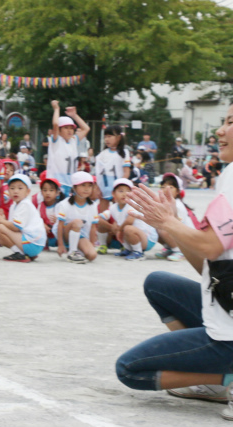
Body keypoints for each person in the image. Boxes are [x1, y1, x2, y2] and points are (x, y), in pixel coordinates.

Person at [115, 102, 233, 422]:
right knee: (158, 284)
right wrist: (172, 226)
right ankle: (218, 382)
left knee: (129, 370)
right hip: (226, 306)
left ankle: (225, 378)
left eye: (230, 122)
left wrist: (166, 222)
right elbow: (212, 267)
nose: (220, 130)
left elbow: (210, 246)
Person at [97, 179, 158, 261]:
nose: (124, 194)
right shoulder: (113, 208)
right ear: (113, 193)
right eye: (121, 191)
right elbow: (99, 218)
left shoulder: (132, 205)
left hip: (147, 238)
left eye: (128, 191)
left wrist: (118, 229)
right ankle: (129, 249)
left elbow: (130, 220)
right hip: (135, 236)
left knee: (127, 228)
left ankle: (138, 252)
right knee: (123, 228)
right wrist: (112, 227)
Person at [0, 174, 46, 262]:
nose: (16, 191)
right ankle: (24, 254)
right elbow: (12, 227)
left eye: (20, 188)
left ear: (28, 192)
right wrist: (2, 219)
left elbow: (15, 228)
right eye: (12, 188)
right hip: (35, 244)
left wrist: (1, 221)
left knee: (0, 227)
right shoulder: (15, 205)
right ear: (8, 191)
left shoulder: (24, 204)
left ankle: (20, 254)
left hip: (33, 243)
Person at [53, 171, 98, 264]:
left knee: (92, 255)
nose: (87, 189)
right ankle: (72, 252)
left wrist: (91, 244)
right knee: (78, 222)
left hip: (81, 235)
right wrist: (60, 245)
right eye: (83, 185)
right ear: (74, 187)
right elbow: (60, 226)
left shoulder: (93, 206)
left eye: (90, 186)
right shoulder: (65, 204)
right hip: (65, 234)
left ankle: (77, 249)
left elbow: (93, 228)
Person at [48, 100, 90, 196]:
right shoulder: (56, 140)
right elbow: (55, 124)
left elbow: (86, 128)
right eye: (66, 128)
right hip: (57, 182)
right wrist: (56, 109)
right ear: (59, 130)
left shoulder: (73, 141)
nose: (70, 130)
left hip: (70, 183)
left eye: (71, 128)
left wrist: (74, 115)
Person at [154, 173, 197, 262]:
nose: (166, 190)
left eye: (171, 187)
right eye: (163, 187)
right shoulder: (165, 204)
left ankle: (179, 251)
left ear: (178, 191)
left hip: (188, 238)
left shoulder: (177, 205)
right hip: (179, 235)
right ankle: (170, 248)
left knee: (163, 229)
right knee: (155, 228)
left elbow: (179, 226)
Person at [95, 125, 131, 215]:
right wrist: (98, 188)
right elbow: (99, 173)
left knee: (118, 213)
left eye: (110, 136)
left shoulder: (124, 153)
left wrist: (119, 188)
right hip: (105, 187)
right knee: (102, 214)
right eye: (105, 137)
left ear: (119, 137)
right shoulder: (102, 154)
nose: (107, 139)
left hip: (118, 189)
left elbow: (126, 172)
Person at [32, 174, 63, 250]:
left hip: (57, 238)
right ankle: (43, 244)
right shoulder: (40, 206)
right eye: (45, 190)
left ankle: (63, 245)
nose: (48, 193)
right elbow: (35, 220)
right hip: (46, 237)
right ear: (41, 192)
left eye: (51, 190)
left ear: (57, 193)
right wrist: (42, 224)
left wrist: (58, 221)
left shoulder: (61, 206)